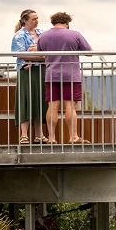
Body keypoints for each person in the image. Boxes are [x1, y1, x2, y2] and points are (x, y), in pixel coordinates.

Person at [37, 11, 92, 144]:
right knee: (70, 106)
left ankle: (51, 138)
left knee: (53, 106)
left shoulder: (43, 36)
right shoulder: (75, 34)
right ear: (67, 22)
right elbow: (89, 53)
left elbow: (40, 55)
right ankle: (73, 137)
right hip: (71, 74)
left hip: (51, 75)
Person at [10, 9, 49, 145]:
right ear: (25, 20)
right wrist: (37, 56)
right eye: (33, 19)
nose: (37, 21)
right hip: (26, 72)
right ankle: (24, 135)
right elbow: (20, 54)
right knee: (25, 100)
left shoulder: (42, 33)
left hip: (41, 71)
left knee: (40, 100)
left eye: (37, 18)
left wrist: (34, 56)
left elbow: (49, 51)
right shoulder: (19, 35)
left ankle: (39, 134)